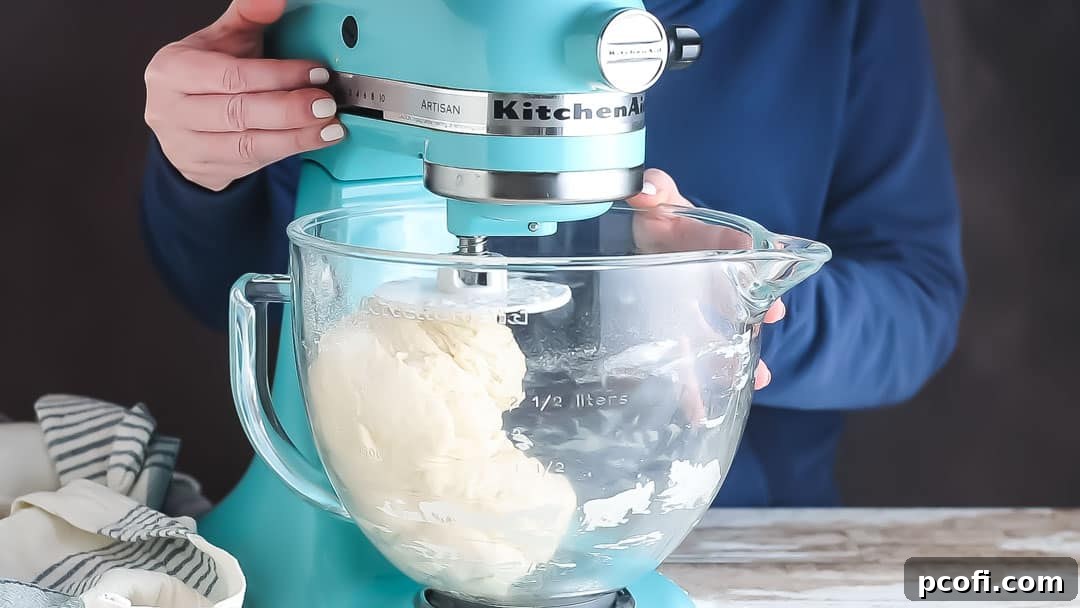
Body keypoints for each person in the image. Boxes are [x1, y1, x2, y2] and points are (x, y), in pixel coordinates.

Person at [141, 0, 966, 507]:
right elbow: (232, 288)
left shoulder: (840, 14)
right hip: (384, 502)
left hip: (723, 536)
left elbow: (917, 305)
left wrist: (733, 301)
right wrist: (204, 165)